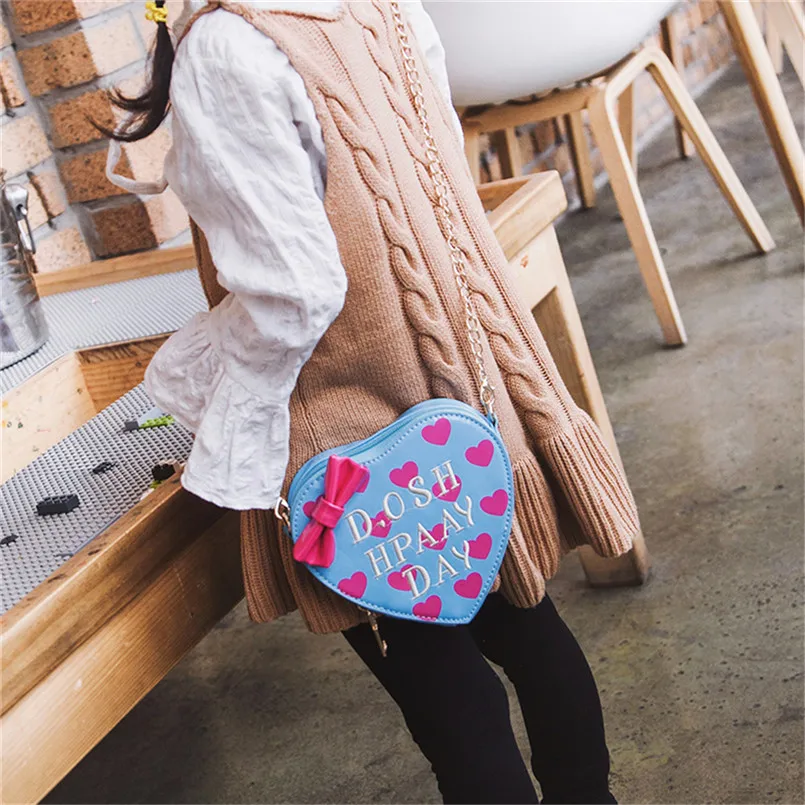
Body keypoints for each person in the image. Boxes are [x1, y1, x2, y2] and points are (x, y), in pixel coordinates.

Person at [103, 2, 641, 802]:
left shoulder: (225, 48)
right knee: (529, 629)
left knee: (450, 701)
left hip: (355, 449)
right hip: (467, 396)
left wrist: (193, 378)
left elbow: (292, 292)